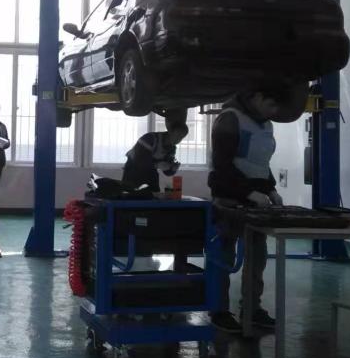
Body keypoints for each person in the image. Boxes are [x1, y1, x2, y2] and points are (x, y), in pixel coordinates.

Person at [207, 88, 284, 331]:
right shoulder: (230, 120)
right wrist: (247, 192)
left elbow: (260, 164)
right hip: (229, 200)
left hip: (256, 203)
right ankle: (218, 310)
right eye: (271, 105)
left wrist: (271, 189)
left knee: (257, 257)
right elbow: (222, 165)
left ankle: (252, 309)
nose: (273, 112)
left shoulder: (266, 125)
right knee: (224, 257)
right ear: (258, 96)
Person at [122, 119, 188, 193]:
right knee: (132, 196)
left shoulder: (171, 148)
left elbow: (167, 172)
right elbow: (138, 161)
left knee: (154, 196)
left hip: (151, 173)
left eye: (181, 137)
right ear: (170, 132)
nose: (178, 139)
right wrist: (157, 165)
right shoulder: (149, 138)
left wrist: (172, 168)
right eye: (177, 135)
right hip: (133, 171)